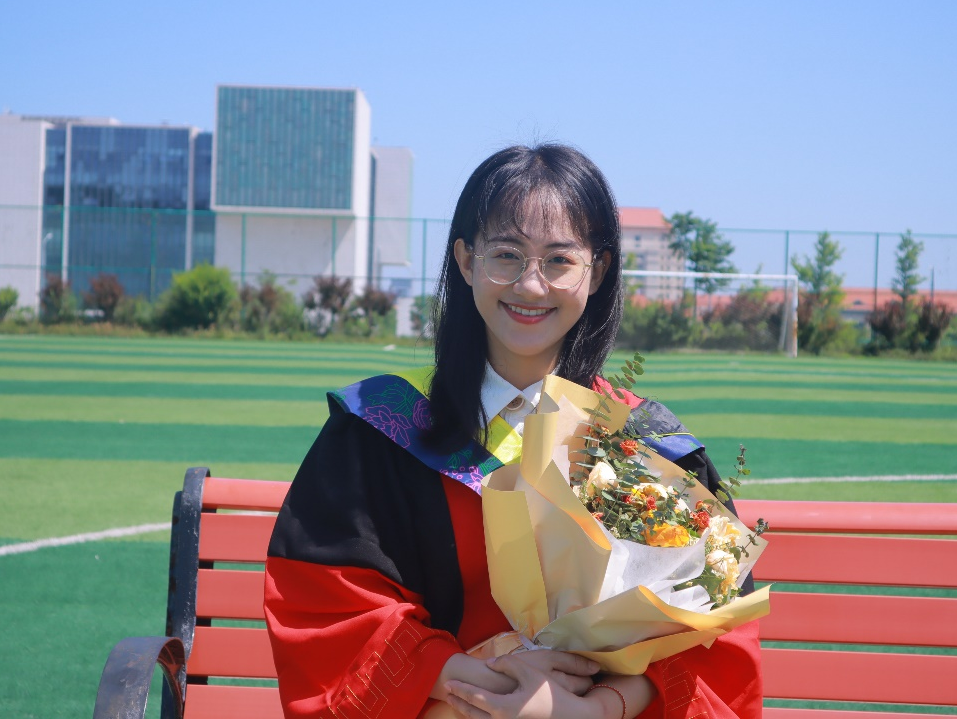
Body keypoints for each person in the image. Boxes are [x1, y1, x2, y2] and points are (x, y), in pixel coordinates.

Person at [264, 144, 762, 719]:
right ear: (465, 261)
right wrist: (469, 678)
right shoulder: (381, 428)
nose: (530, 285)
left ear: (597, 271)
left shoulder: (645, 444)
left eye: (559, 260)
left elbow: (716, 629)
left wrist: (599, 708)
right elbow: (324, 600)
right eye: (506, 255)